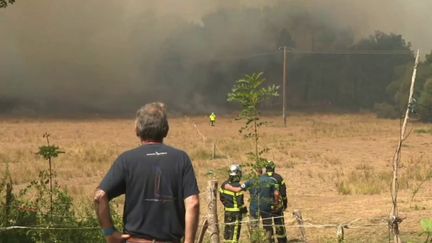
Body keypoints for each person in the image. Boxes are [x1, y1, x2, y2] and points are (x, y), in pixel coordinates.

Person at [94, 102, 200, 243]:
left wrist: (110, 233)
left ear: (137, 130)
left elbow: (100, 196)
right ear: (166, 130)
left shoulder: (127, 159)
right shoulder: (181, 158)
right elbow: (193, 203)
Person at [224, 164, 280, 243]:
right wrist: (276, 204)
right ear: (262, 171)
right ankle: (268, 241)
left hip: (254, 208)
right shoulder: (271, 180)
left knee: (254, 227)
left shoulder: (250, 181)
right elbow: (277, 194)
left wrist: (228, 187)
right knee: (267, 226)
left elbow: (237, 190)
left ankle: (255, 241)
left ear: (254, 172)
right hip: (267, 207)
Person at [219, 164, 247, 243]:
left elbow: (221, 198)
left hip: (227, 212)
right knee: (234, 236)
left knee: (227, 234)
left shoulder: (224, 185)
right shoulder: (238, 186)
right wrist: (245, 211)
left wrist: (227, 205)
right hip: (236, 214)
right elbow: (240, 202)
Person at [265, 160, 288, 243]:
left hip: (265, 207)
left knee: (267, 226)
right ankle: (282, 241)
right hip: (277, 206)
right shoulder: (279, 177)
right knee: (279, 225)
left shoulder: (261, 178)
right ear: (273, 168)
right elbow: (283, 192)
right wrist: (285, 203)